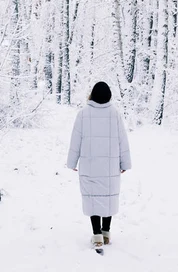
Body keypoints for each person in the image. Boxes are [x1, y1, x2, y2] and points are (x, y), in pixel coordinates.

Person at [66, 81, 131, 250]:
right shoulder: (114, 114)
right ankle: (106, 233)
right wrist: (125, 163)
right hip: (110, 166)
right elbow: (122, 140)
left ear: (92, 95)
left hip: (90, 165)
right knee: (107, 197)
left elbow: (76, 139)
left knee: (93, 198)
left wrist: (72, 162)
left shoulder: (83, 114)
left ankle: (97, 236)